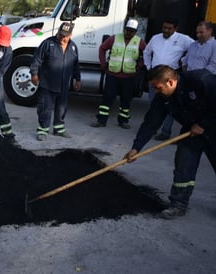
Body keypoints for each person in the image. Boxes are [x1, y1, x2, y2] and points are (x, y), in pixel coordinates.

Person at [124, 65, 216, 219]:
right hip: (191, 132)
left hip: (213, 128)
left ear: (170, 82)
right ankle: (178, 204)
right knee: (183, 166)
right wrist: (136, 148)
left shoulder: (201, 80)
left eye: (158, 88)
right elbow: (150, 123)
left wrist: (204, 124)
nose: (157, 92)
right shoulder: (163, 98)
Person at [143, 18, 194, 141]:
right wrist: (148, 66)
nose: (165, 30)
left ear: (176, 29)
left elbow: (196, 48)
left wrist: (184, 61)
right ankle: (152, 128)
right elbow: (146, 52)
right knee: (153, 104)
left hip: (169, 79)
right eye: (164, 27)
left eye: (169, 28)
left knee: (170, 106)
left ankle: (165, 132)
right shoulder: (156, 38)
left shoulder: (184, 39)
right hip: (155, 77)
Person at [91, 19, 146, 129]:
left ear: (135, 32)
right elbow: (102, 48)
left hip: (129, 76)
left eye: (131, 31)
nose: (128, 33)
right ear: (124, 29)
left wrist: (140, 64)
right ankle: (101, 120)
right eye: (127, 30)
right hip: (112, 74)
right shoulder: (114, 38)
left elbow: (147, 53)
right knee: (107, 99)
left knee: (126, 100)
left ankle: (123, 121)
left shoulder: (139, 41)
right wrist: (103, 63)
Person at [30, 22, 81, 141]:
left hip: (63, 84)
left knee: (61, 108)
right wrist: (34, 74)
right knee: (45, 108)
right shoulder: (48, 43)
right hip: (47, 83)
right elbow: (36, 60)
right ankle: (43, 130)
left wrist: (77, 79)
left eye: (65, 36)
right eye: (60, 34)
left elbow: (75, 65)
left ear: (70, 35)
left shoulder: (73, 47)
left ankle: (59, 129)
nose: (61, 38)